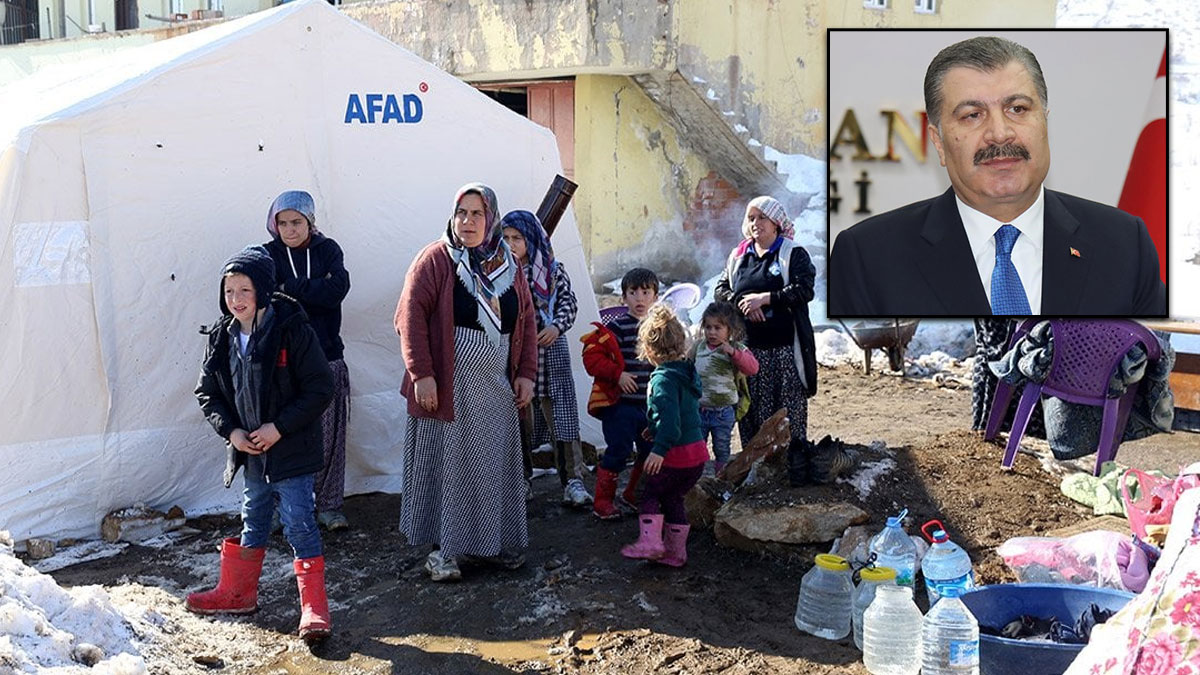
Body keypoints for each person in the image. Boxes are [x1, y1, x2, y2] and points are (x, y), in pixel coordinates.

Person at [828, 35, 1167, 317]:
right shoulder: (867, 257)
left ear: (1044, 122)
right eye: (972, 115)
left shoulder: (1125, 244)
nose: (1000, 133)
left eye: (1017, 109)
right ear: (939, 142)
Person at [394, 183, 537, 582]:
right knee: (451, 466)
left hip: (493, 384)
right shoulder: (436, 259)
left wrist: (526, 373)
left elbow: (524, 321)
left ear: (491, 218)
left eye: (477, 214)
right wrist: (422, 375)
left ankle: (488, 544)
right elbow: (410, 320)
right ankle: (445, 551)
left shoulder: (509, 265)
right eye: (462, 213)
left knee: (491, 464)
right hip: (446, 388)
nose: (468, 222)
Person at [191, 245, 334, 641]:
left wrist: (279, 428)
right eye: (229, 291)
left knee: (299, 522)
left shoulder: (292, 330)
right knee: (253, 516)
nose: (235, 300)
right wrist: (233, 433)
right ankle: (237, 593)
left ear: (264, 291)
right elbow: (208, 392)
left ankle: (314, 608)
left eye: (244, 291)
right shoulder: (223, 335)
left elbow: (321, 389)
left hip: (290, 451)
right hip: (251, 453)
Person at [263, 190, 352, 531]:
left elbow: (337, 291)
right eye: (282, 222)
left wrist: (292, 287)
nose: (290, 229)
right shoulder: (267, 255)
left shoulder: (328, 250)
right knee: (281, 434)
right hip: (283, 361)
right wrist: (314, 288)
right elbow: (271, 300)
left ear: (310, 222)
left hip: (327, 355)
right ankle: (278, 507)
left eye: (297, 222)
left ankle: (329, 505)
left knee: (330, 436)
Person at [714, 196, 817, 476]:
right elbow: (720, 290)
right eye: (751, 218)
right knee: (751, 410)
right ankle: (754, 470)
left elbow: (805, 289)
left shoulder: (792, 253)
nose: (755, 223)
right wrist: (744, 302)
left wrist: (767, 299)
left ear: (776, 222)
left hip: (785, 350)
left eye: (761, 217)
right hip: (749, 351)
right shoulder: (739, 256)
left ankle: (792, 468)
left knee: (787, 410)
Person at [500, 210, 592, 508]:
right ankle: (521, 481)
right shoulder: (498, 273)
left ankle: (573, 481)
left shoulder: (552, 270)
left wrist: (555, 326)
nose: (511, 244)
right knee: (518, 422)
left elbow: (568, 302)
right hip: (516, 358)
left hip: (551, 354)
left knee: (562, 419)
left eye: (517, 238)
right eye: (506, 238)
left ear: (532, 239)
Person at [620, 305, 706, 567]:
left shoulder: (662, 380)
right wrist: (654, 427)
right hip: (698, 454)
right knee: (672, 498)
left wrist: (659, 447)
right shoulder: (686, 373)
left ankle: (651, 543)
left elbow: (671, 424)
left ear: (647, 350)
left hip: (675, 454)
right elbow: (679, 412)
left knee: (648, 493)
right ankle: (676, 553)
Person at [580, 268, 659, 520]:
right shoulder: (615, 328)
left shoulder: (660, 329)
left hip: (650, 407)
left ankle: (633, 494)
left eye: (645, 292)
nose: (639, 299)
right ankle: (602, 501)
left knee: (650, 451)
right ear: (624, 297)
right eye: (633, 293)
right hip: (620, 406)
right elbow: (591, 357)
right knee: (619, 450)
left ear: (655, 296)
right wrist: (618, 374)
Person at [688, 301, 759, 476]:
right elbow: (687, 367)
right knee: (696, 447)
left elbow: (753, 368)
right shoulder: (698, 347)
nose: (712, 332)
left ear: (730, 329)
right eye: (708, 327)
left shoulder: (736, 349)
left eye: (718, 328)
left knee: (721, 448)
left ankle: (720, 479)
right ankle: (695, 480)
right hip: (699, 410)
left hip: (723, 412)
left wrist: (734, 354)